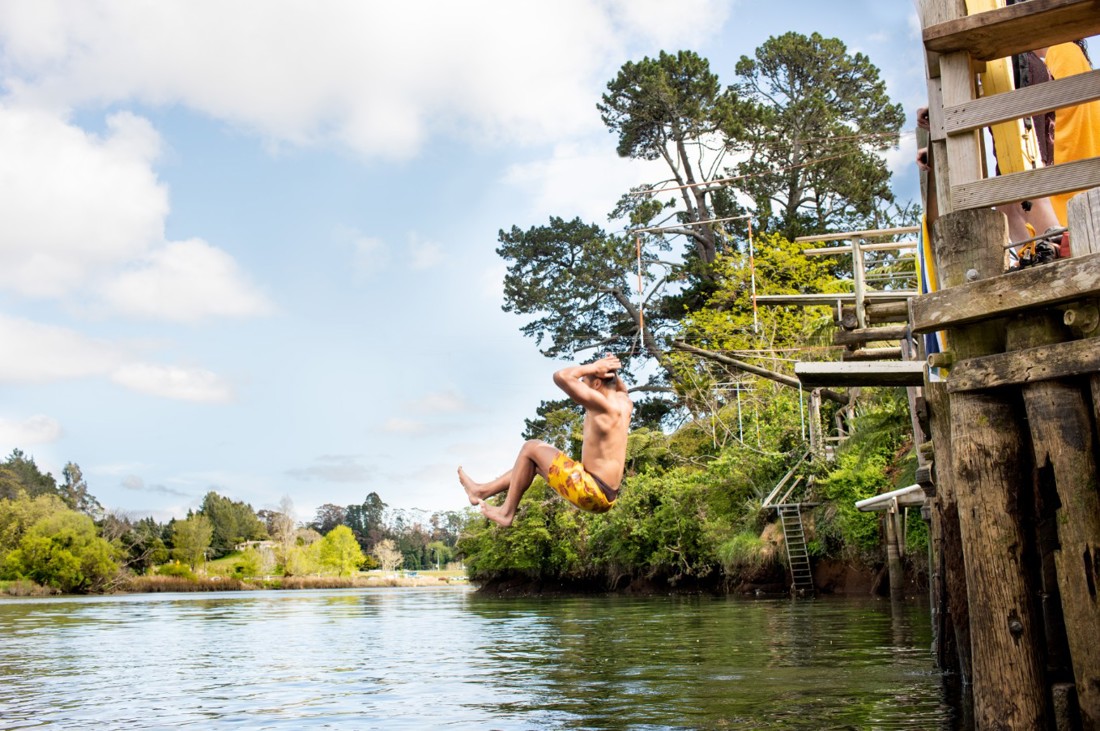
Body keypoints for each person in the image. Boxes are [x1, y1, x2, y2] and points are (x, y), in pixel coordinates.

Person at [459, 354, 633, 528]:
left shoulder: (603, 407)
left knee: (530, 447)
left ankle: (506, 513)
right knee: (530, 462)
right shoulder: (624, 403)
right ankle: (481, 491)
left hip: (590, 490)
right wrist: (610, 367)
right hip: (604, 495)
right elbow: (621, 389)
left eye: (584, 382)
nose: (581, 387)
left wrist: (594, 368)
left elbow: (561, 376)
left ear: (596, 384)